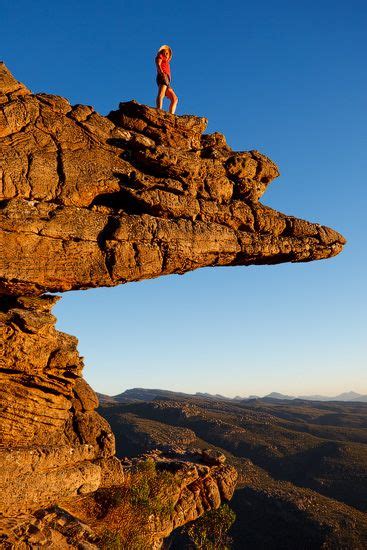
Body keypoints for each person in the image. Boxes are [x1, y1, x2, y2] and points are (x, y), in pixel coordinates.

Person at [155, 45, 178, 114]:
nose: (166, 54)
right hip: (162, 76)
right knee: (161, 94)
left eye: (167, 53)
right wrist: (162, 73)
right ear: (161, 52)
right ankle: (158, 110)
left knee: (175, 99)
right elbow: (158, 64)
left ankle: (171, 115)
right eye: (165, 52)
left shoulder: (166, 62)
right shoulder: (160, 56)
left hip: (166, 79)